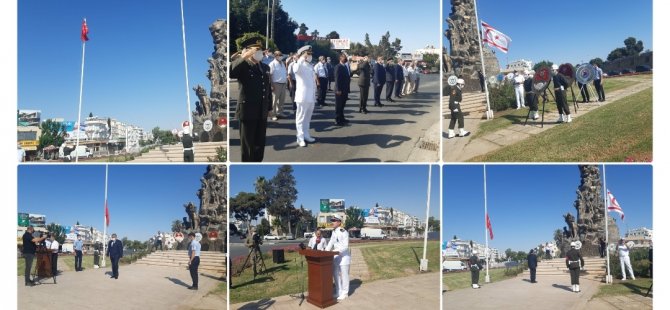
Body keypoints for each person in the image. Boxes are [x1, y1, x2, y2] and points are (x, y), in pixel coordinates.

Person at [230, 37, 272, 162]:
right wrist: (243, 57)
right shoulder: (243, 66)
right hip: (248, 112)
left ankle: (258, 163)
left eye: (260, 50)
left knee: (260, 143)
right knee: (248, 146)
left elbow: (267, 88)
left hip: (261, 111)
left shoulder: (265, 68)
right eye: (256, 50)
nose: (259, 52)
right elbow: (231, 72)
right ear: (249, 51)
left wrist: (269, 107)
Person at [294, 45, 317, 146]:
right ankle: (300, 138)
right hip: (302, 97)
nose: (309, 56)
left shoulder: (310, 65)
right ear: (303, 55)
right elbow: (295, 70)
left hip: (311, 97)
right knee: (301, 118)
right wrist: (300, 59)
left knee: (308, 118)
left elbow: (312, 81)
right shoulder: (299, 65)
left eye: (310, 54)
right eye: (308, 54)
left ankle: (306, 135)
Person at [325, 215, 350, 300]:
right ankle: (338, 291)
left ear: (339, 222)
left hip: (344, 257)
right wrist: (325, 252)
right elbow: (330, 243)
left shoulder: (344, 232)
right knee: (335, 274)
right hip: (336, 256)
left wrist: (337, 251)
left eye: (334, 220)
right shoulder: (334, 232)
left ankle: (345, 292)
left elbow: (346, 246)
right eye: (332, 220)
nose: (332, 222)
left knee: (344, 275)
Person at [269, 51, 288, 121]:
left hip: (283, 84)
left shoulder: (282, 63)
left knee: (281, 100)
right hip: (276, 84)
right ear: (275, 56)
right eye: (279, 55)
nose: (281, 56)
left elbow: (284, 73)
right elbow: (270, 75)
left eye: (281, 55)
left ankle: (280, 112)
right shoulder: (272, 64)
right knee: (274, 100)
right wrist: (271, 85)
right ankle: (273, 114)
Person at [334, 52, 351, 126]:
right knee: (339, 105)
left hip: (344, 89)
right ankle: (337, 120)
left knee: (343, 105)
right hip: (339, 90)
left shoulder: (344, 66)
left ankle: (342, 118)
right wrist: (338, 90)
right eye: (344, 57)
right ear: (340, 58)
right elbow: (337, 79)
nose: (346, 58)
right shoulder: (338, 66)